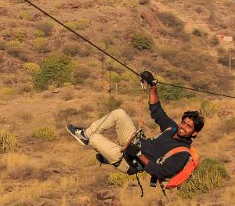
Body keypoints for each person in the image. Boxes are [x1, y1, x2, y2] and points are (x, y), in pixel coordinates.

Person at [66, 70, 204, 182]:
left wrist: (138, 154)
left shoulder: (182, 153)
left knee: (95, 138)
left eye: (188, 127)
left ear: (194, 133)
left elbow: (160, 172)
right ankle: (85, 134)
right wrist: (153, 85)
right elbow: (156, 109)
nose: (183, 127)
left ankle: (101, 147)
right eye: (184, 122)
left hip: (130, 162)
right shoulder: (171, 128)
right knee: (119, 113)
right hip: (135, 142)